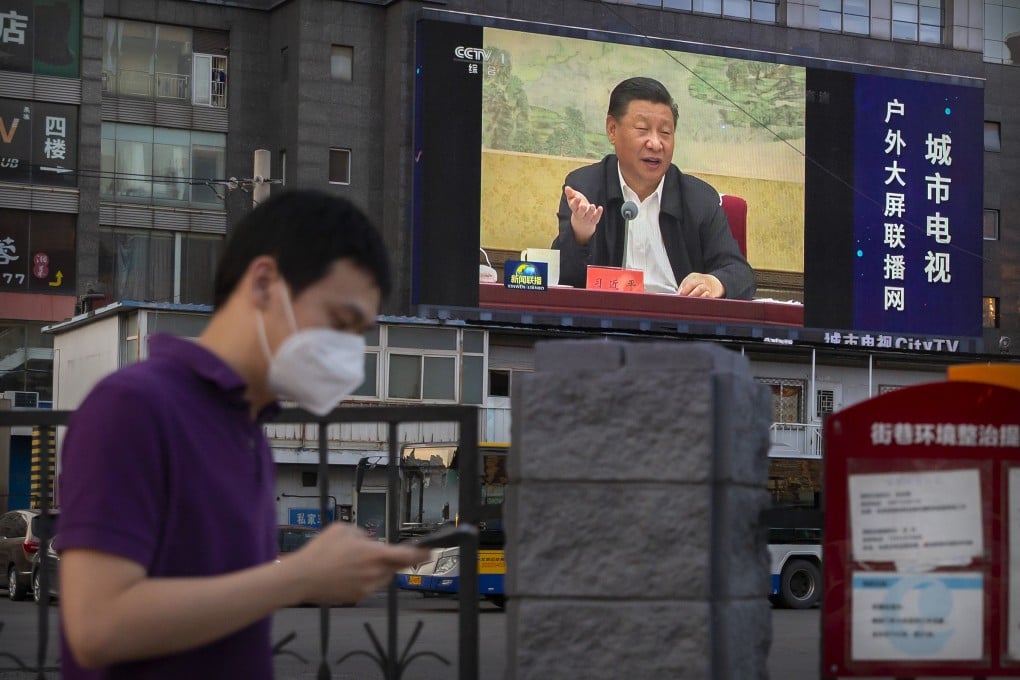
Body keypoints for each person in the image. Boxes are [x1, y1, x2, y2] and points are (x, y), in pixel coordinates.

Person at [58, 190, 429, 679]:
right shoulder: (133, 407)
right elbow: (97, 627)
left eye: (359, 334)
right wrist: (299, 576)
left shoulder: (248, 433)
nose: (348, 352)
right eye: (340, 321)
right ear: (263, 283)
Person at [552, 76, 756, 300]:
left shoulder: (699, 199)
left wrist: (716, 282)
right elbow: (565, 278)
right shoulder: (586, 188)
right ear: (612, 129)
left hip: (678, 326)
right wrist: (581, 234)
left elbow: (740, 274)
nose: (656, 143)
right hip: (607, 326)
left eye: (665, 133)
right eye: (642, 129)